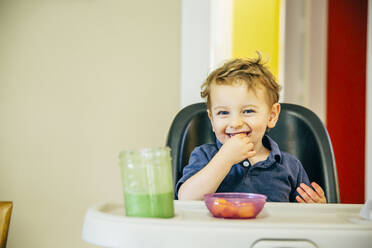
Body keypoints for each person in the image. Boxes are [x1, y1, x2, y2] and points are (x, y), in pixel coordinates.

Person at [176, 54, 327, 203]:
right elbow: (186, 198)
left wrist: (316, 208)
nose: (235, 123)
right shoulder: (204, 156)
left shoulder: (290, 167)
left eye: (248, 111)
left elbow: (302, 220)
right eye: (223, 113)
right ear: (212, 119)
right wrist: (224, 159)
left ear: (272, 116)